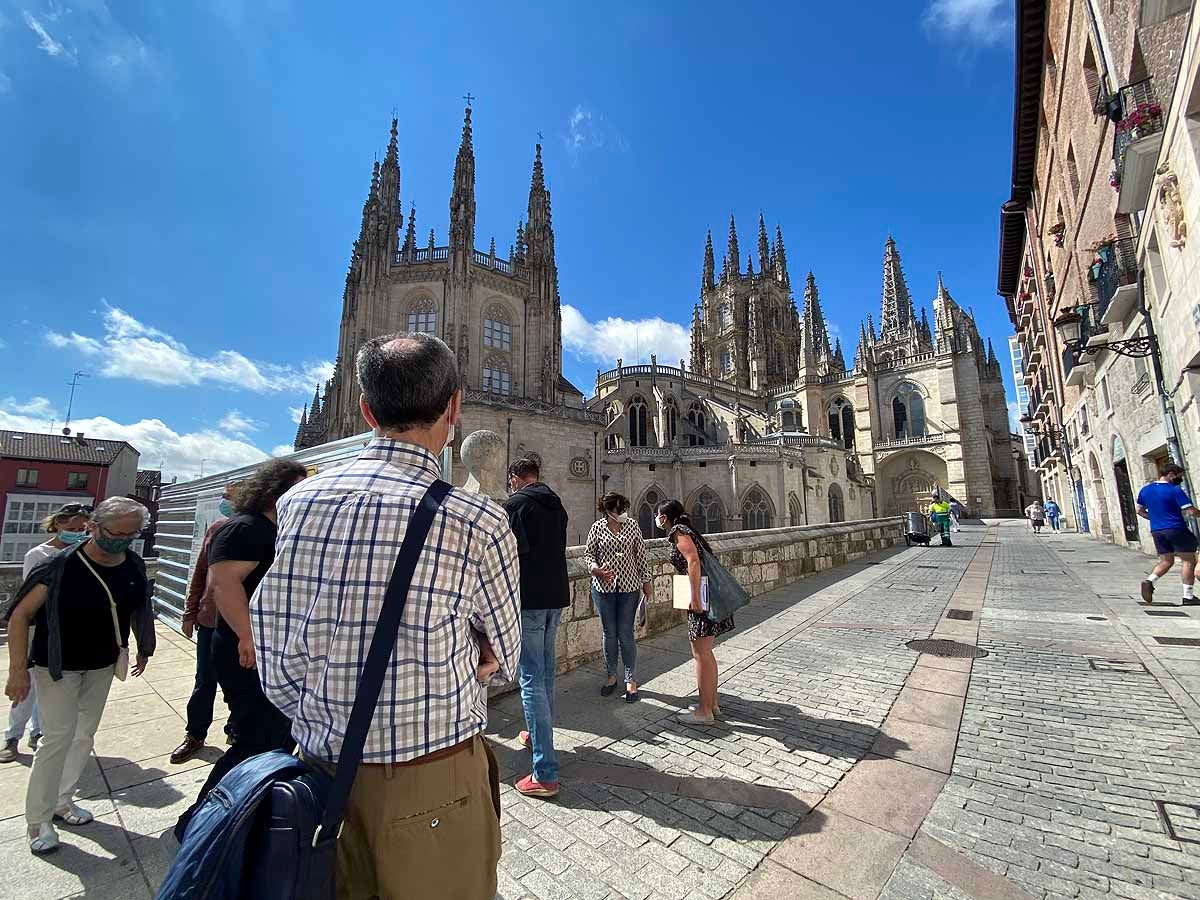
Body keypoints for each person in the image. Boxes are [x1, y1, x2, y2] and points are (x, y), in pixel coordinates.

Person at [254, 332, 521, 900]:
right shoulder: (479, 520)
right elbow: (507, 652)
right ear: (454, 408)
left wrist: (327, 708)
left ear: (366, 410)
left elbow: (274, 642)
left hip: (320, 770)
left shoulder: (298, 504)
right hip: (436, 776)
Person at [4, 497, 155, 855]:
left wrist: (144, 646)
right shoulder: (58, 566)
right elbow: (20, 616)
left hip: (101, 663)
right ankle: (37, 819)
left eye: (132, 533)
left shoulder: (132, 562)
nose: (122, 539)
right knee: (56, 737)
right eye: (115, 532)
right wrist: (16, 670)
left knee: (84, 735)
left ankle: (62, 800)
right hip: (57, 664)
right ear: (94, 527)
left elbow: (139, 604)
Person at [173, 459, 308, 840]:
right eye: (292, 488)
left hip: (265, 648)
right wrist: (248, 636)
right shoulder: (244, 528)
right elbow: (223, 583)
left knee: (275, 736)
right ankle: (200, 820)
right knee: (256, 736)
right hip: (244, 649)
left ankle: (246, 810)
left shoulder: (271, 528)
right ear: (271, 492)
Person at [0, 503, 91, 764]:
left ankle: (38, 732)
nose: (76, 532)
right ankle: (12, 736)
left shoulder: (83, 551)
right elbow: (33, 594)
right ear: (57, 525)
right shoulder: (39, 554)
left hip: (67, 629)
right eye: (71, 528)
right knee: (26, 682)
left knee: (52, 683)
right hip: (39, 626)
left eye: (81, 528)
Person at [503, 457, 570, 799]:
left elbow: (512, 555)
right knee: (545, 674)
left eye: (511, 480)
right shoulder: (557, 505)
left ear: (516, 478)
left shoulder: (515, 506)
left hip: (529, 600)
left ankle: (545, 772)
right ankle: (535, 732)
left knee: (530, 679)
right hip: (556, 596)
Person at [171, 482, 240, 765]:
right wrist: (190, 612)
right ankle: (195, 734)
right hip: (211, 619)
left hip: (241, 623)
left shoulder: (263, 531)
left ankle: (236, 731)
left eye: (230, 498)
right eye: (224, 497)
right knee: (204, 681)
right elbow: (201, 570)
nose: (225, 502)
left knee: (239, 684)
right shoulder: (217, 528)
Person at [657, 500, 734, 725]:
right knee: (707, 653)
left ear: (666, 517)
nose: (657, 519)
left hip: (699, 598)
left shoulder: (678, 531)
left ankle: (703, 712)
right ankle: (712, 704)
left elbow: (693, 561)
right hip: (707, 594)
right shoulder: (689, 530)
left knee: (700, 654)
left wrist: (695, 597)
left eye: (659, 515)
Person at [584, 492, 653, 702]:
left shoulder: (632, 526)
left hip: (629, 588)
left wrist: (646, 581)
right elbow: (588, 554)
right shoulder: (597, 528)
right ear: (608, 511)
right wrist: (596, 570)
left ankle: (631, 680)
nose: (623, 512)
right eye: (619, 509)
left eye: (624, 508)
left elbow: (640, 555)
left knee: (626, 633)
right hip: (603, 589)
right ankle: (612, 676)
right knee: (609, 633)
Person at [1137, 463, 1200, 606]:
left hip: (1157, 530)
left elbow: (1139, 510)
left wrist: (1153, 518)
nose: (1180, 479)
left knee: (1166, 560)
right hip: (1176, 528)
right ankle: (1188, 596)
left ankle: (1149, 581)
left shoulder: (1145, 490)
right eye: (1179, 476)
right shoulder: (1174, 490)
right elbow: (1191, 511)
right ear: (1171, 474)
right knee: (1188, 560)